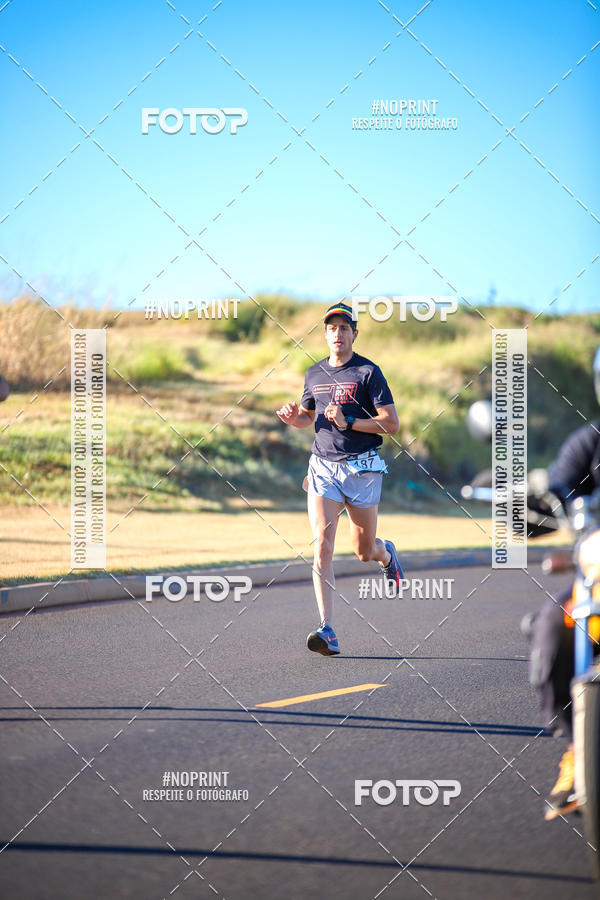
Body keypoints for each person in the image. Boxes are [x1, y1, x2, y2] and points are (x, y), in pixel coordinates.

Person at [275, 301, 403, 656]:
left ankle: (386, 555)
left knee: (363, 551)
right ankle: (326, 629)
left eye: (344, 328)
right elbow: (307, 416)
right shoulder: (314, 373)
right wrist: (292, 418)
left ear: (354, 334)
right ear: (326, 334)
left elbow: (391, 424)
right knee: (322, 545)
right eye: (332, 328)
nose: (337, 333)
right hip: (322, 467)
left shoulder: (368, 372)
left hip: (361, 468)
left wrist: (349, 422)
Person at [529, 345, 600, 820]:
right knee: (551, 625)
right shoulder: (588, 443)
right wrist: (538, 501)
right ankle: (576, 749)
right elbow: (558, 485)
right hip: (597, 575)